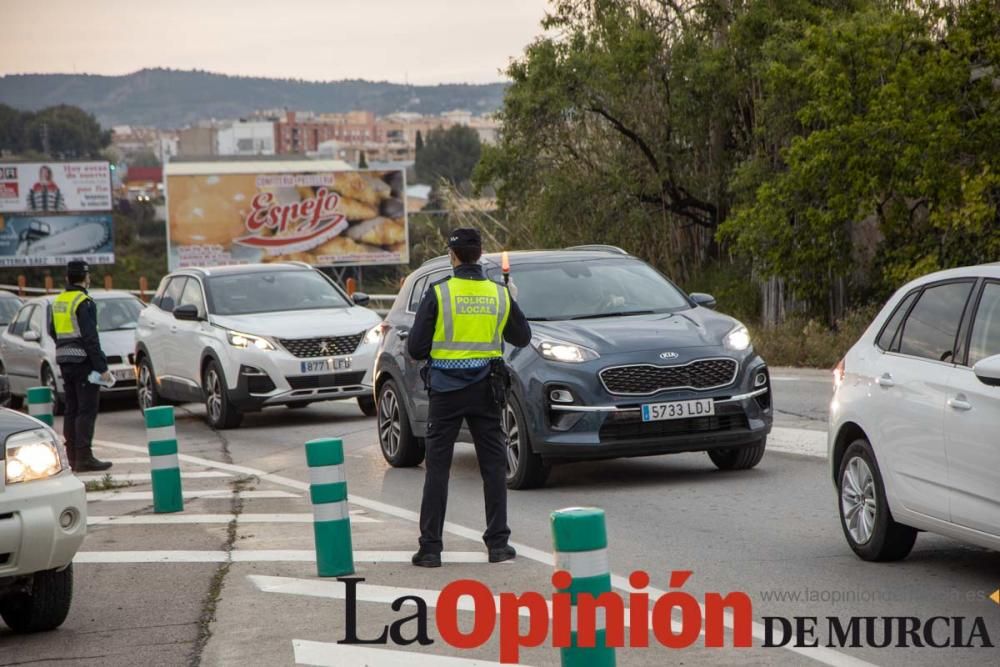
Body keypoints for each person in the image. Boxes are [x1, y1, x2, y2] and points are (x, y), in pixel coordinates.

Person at [407, 228, 532, 568]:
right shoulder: (499, 294)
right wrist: (512, 301)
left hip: (446, 393)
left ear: (453, 256)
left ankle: (430, 548)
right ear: (479, 255)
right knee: (493, 466)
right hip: (486, 391)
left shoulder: (439, 293)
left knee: (438, 468)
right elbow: (521, 337)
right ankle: (498, 544)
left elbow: (415, 348)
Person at [48, 260, 113, 472]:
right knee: (86, 410)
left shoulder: (59, 300)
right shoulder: (84, 301)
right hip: (84, 362)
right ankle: (84, 457)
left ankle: (73, 457)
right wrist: (101, 367)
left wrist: (64, 346)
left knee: (71, 409)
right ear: (86, 277)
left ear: (67, 277)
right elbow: (90, 338)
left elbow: (52, 330)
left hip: (65, 362)